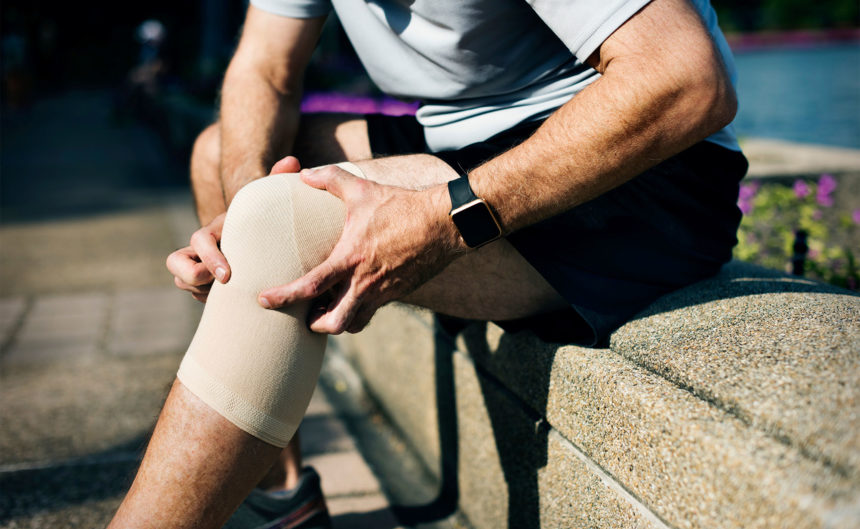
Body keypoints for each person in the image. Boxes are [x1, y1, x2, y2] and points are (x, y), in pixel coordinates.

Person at [108, 0, 748, 527]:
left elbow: (685, 77)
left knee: (282, 224)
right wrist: (239, 214)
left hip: (635, 170)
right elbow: (265, 68)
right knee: (220, 156)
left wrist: (447, 219)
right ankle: (281, 499)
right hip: (462, 140)